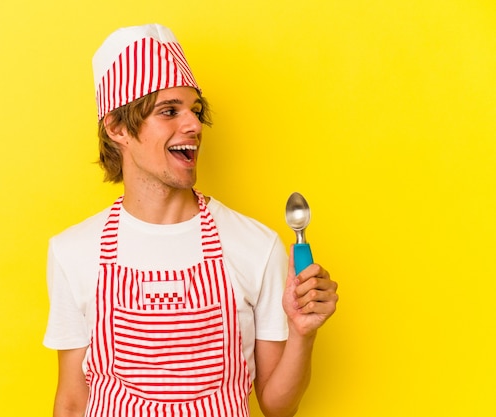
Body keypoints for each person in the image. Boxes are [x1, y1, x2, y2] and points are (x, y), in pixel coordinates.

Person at [44, 23, 338, 417]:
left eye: (196, 111)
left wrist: (304, 332)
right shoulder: (72, 252)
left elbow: (276, 405)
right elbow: (72, 401)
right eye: (169, 111)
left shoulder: (256, 246)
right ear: (117, 128)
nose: (195, 125)